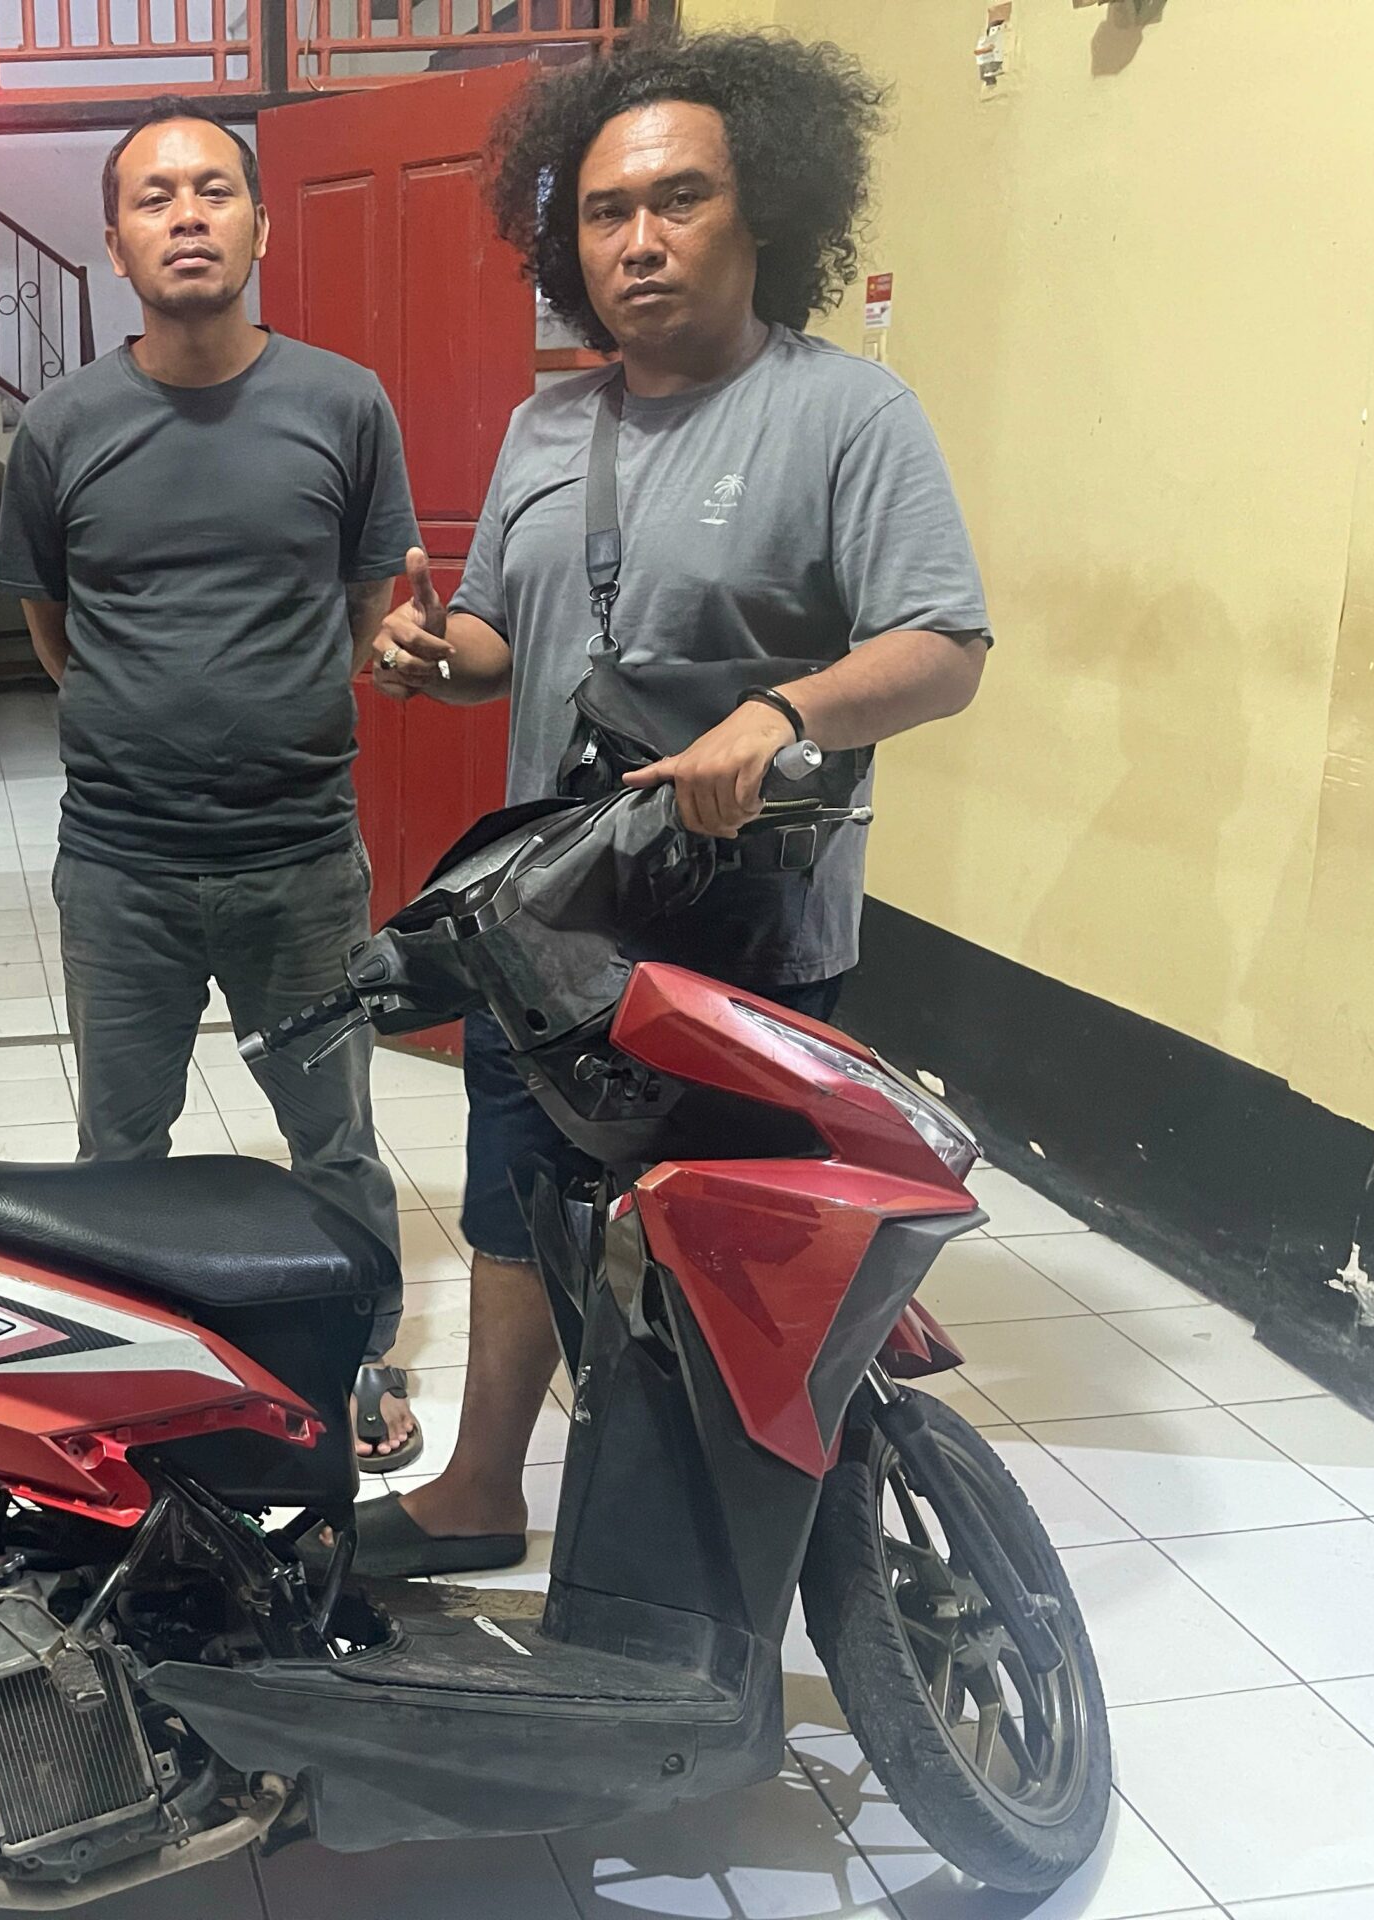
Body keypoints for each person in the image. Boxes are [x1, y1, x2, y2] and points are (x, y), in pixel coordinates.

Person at [356, 31, 991, 1576]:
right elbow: (504, 638)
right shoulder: (546, 427)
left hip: (742, 943)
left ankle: (729, 1551)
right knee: (515, 1200)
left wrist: (780, 716)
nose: (638, 241)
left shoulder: (849, 415)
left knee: (727, 1239)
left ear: (760, 208)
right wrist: (434, 655)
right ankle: (480, 1488)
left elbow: (944, 646)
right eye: (603, 212)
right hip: (549, 928)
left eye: (679, 199)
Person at [0, 100, 427, 1470]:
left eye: (213, 190)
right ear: (115, 242)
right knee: (122, 1147)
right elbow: (54, 631)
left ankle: (353, 1360)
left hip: (300, 864)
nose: (186, 215)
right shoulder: (61, 426)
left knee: (333, 1137)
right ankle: (139, 1378)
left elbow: (364, 608)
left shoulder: (344, 404)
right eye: (154, 197)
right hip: (122, 867)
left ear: (260, 224)